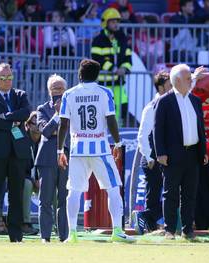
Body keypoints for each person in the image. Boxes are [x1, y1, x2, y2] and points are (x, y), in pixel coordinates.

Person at [57, 59, 135, 243]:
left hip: (77, 149)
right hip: (100, 148)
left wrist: (59, 150)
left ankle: (72, 233)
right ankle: (117, 230)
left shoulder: (69, 94)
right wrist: (117, 143)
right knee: (113, 189)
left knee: (74, 191)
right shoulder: (105, 92)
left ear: (80, 74)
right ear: (97, 75)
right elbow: (111, 119)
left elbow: (63, 124)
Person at [154, 64, 208, 241]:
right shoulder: (164, 101)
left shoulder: (195, 101)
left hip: (193, 154)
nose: (191, 80)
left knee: (190, 194)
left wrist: (203, 151)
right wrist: (160, 152)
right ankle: (170, 230)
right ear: (177, 80)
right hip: (172, 155)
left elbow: (200, 128)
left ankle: (187, 231)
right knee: (170, 194)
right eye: (187, 78)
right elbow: (157, 129)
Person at [0, 63, 31, 243]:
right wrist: (13, 120)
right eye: (3, 78)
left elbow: (25, 113)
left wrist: (4, 116)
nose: (7, 81)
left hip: (17, 152)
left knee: (16, 194)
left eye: (10, 78)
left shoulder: (20, 95)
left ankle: (16, 236)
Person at [134, 71, 171, 235]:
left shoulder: (169, 104)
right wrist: (149, 157)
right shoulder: (151, 107)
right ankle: (145, 220)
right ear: (161, 87)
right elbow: (142, 136)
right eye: (170, 85)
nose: (173, 88)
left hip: (161, 156)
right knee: (154, 194)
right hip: (152, 158)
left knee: (162, 194)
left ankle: (148, 222)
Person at [35, 74, 69, 242]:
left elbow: (70, 133)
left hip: (66, 157)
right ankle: (45, 237)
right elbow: (46, 132)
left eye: (61, 88)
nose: (58, 92)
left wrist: (56, 129)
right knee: (46, 199)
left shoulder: (72, 108)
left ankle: (65, 236)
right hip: (47, 159)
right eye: (55, 88)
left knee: (65, 199)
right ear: (49, 91)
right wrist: (57, 115)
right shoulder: (42, 109)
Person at [91, 8, 133, 126]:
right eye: (113, 22)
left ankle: (119, 137)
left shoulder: (122, 38)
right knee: (104, 113)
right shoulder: (98, 40)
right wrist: (114, 69)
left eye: (117, 22)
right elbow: (97, 59)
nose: (116, 24)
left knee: (122, 110)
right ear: (106, 23)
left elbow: (128, 57)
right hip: (105, 84)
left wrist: (124, 69)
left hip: (119, 83)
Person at [22, 111, 40, 236]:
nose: (38, 126)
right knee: (27, 184)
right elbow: (21, 166)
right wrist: (32, 178)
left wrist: (38, 178)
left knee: (52, 187)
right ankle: (25, 223)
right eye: (35, 123)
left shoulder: (46, 140)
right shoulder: (22, 140)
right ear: (27, 125)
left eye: (40, 123)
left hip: (40, 178)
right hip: (25, 177)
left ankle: (56, 223)